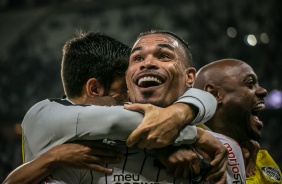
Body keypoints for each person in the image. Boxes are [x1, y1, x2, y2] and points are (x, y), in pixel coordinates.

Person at [3, 30, 227, 184]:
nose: (128, 100)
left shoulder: (106, 139)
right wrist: (192, 132)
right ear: (94, 89)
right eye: (122, 92)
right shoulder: (46, 115)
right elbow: (120, 121)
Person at [193, 58, 282, 183]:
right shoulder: (179, 151)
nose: (263, 91)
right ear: (214, 94)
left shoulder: (261, 161)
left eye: (258, 84)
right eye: (250, 84)